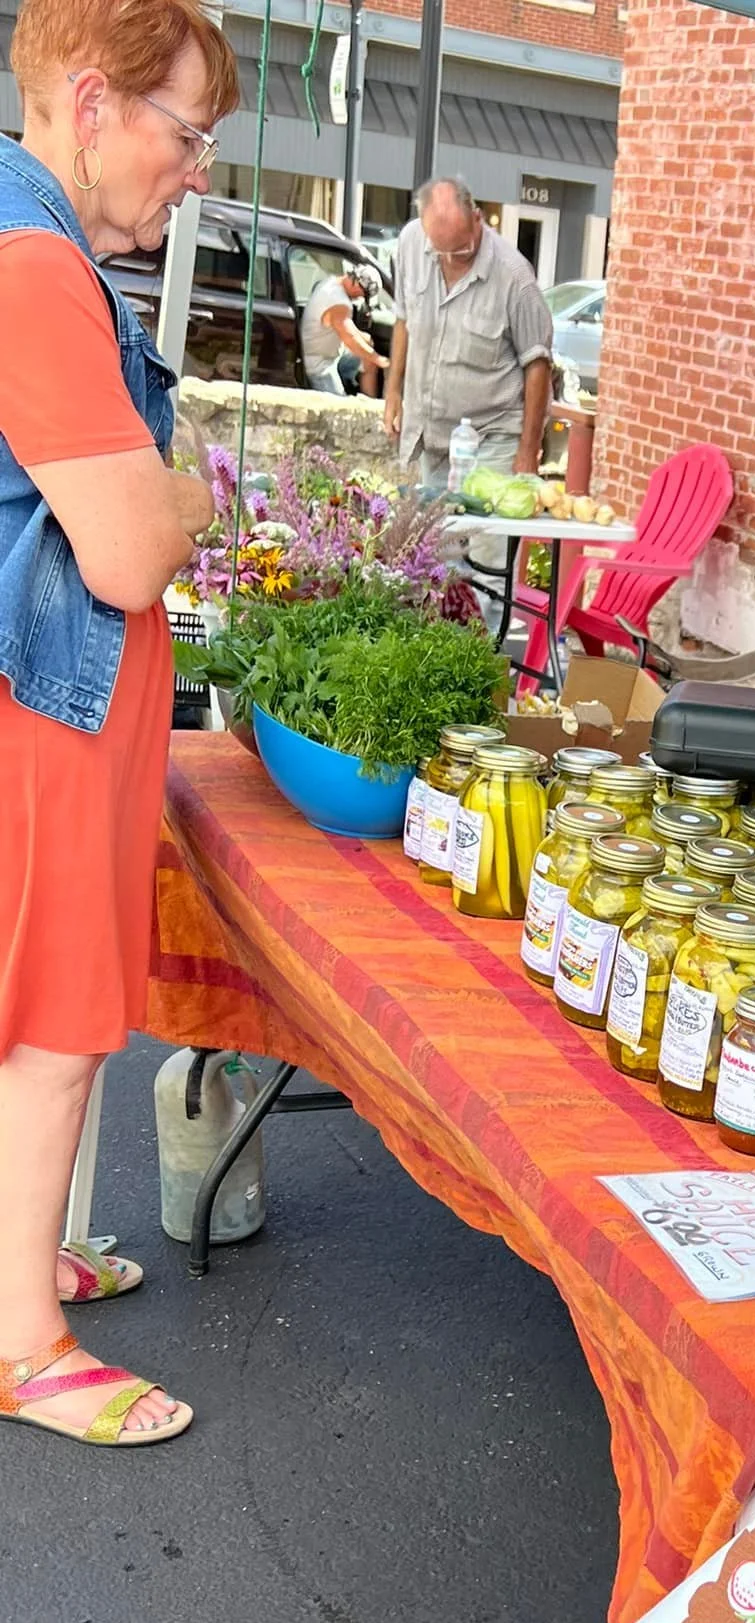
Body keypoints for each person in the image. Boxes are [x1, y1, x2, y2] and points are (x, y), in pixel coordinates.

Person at [0, 0, 238, 1444]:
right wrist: (190, 492)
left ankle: (16, 1258)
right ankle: (22, 1343)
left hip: (45, 707)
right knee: (54, 1025)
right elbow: (132, 552)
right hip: (49, 721)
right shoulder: (34, 266)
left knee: (37, 1011)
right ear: (93, 105)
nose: (197, 170)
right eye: (188, 133)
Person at [383, 177, 553, 486]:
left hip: (492, 438)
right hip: (435, 439)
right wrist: (393, 391)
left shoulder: (515, 277)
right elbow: (404, 320)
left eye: (461, 249)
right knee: (434, 519)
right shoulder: (410, 242)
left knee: (480, 520)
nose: (451, 260)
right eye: (441, 251)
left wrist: (528, 452)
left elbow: (538, 364)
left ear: (478, 217)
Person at [300, 259, 385, 395]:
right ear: (357, 284)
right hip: (320, 364)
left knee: (368, 360)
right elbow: (350, 339)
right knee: (340, 405)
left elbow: (349, 330)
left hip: (333, 354)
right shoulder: (339, 302)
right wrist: (379, 359)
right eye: (362, 294)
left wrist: (366, 342)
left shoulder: (331, 283)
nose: (360, 298)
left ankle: (369, 403)